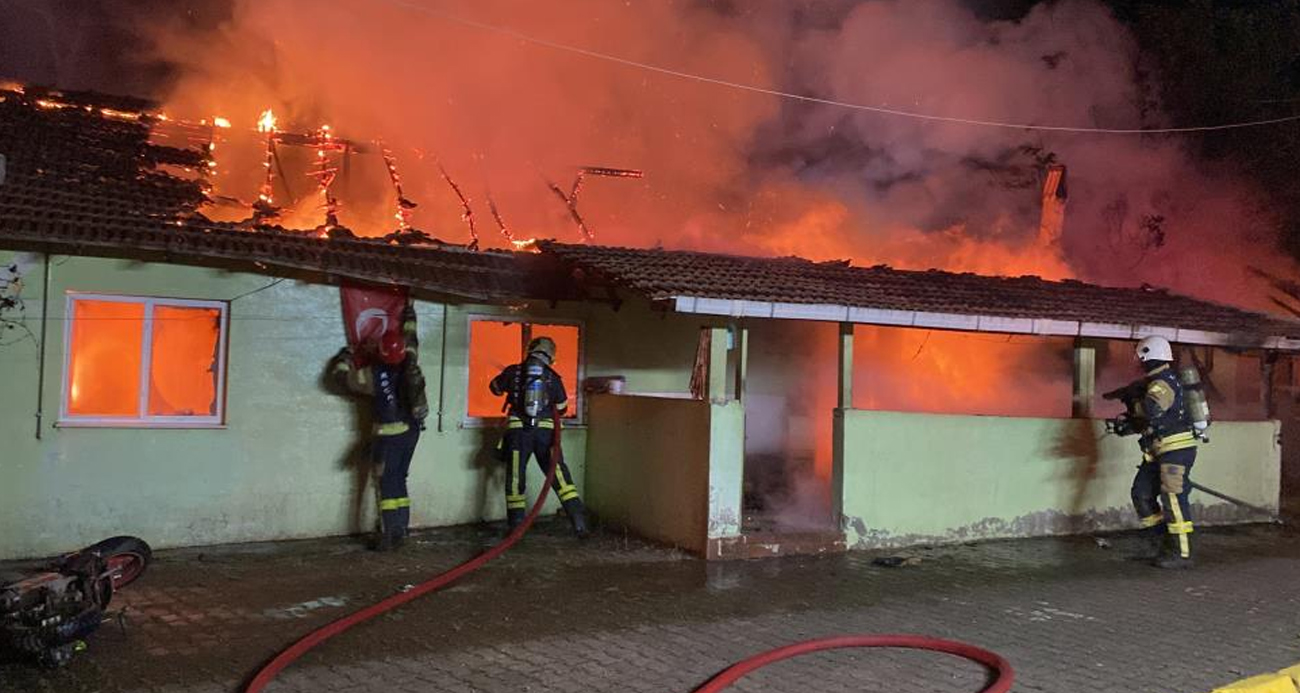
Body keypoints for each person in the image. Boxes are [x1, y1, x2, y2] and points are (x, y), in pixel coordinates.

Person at [330, 304, 427, 551]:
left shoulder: (372, 375)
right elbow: (412, 337)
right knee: (400, 480)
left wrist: (345, 356)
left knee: (385, 484)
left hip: (387, 436)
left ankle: (387, 535)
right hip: (411, 433)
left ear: (381, 353)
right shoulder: (411, 361)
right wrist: (410, 314)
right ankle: (401, 530)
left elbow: (339, 379)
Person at [489, 336, 590, 537]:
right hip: (546, 434)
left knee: (516, 478)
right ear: (550, 355)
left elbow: (494, 388)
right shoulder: (553, 377)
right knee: (559, 476)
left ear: (530, 350)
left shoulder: (513, 371)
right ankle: (579, 524)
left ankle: (516, 528)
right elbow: (561, 408)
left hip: (518, 433)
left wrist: (508, 383)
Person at [1118, 336, 1199, 569]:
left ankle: (1181, 553)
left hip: (1175, 450)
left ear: (1147, 357)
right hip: (1158, 451)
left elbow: (1152, 409)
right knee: (1141, 493)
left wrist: (1134, 399)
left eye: (1141, 359)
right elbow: (1149, 421)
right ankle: (1159, 546)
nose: (1139, 363)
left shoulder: (1162, 382)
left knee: (1173, 498)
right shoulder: (1155, 382)